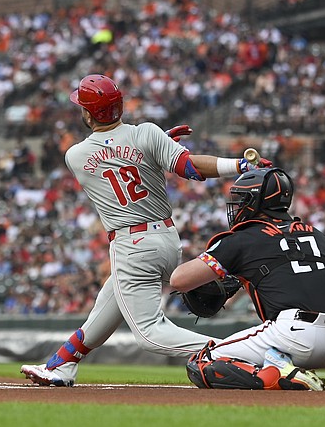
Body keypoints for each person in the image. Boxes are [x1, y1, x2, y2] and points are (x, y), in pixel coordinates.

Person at [20, 73, 274, 387]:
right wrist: (240, 165)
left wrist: (157, 146)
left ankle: (244, 353)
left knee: (149, 334)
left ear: (88, 113)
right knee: (106, 307)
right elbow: (190, 168)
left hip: (131, 243)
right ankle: (61, 364)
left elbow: (117, 158)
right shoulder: (147, 134)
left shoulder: (76, 155)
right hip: (166, 239)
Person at [170, 167, 325, 391]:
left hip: (296, 338)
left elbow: (178, 280)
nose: (238, 205)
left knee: (202, 361)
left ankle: (277, 372)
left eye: (243, 199)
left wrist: (231, 272)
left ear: (256, 201)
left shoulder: (242, 239)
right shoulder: (319, 236)